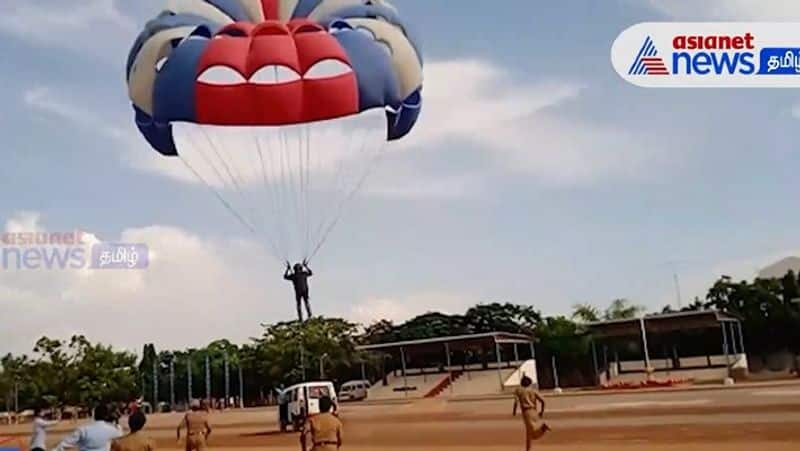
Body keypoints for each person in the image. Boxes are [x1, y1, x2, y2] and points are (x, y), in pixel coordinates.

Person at [53, 403, 122, 451]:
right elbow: (120, 435)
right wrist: (116, 422)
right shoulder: (113, 430)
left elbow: (64, 445)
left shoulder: (83, 430)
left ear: (94, 415)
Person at [512, 375, 550, 451]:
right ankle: (528, 449)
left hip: (526, 412)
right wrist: (542, 411)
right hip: (534, 411)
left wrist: (514, 411)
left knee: (533, 434)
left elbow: (516, 402)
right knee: (528, 433)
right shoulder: (533, 390)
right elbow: (543, 401)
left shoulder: (518, 390)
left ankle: (543, 428)